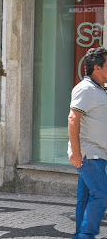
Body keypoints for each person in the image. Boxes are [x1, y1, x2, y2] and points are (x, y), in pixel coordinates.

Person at [68, 47, 107, 238]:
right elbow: (73, 119)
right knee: (101, 196)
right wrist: (76, 153)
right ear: (97, 68)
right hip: (89, 155)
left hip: (97, 153)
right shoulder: (85, 89)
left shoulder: (100, 90)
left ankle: (80, 235)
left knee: (84, 199)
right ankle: (86, 235)